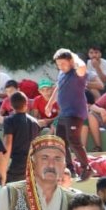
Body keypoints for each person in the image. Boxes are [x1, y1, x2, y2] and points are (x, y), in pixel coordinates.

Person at [42, 49, 91, 180]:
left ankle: (86, 167)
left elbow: (82, 67)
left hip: (74, 113)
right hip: (63, 113)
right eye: (58, 64)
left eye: (63, 64)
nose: (61, 67)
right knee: (60, 142)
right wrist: (50, 103)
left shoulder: (77, 73)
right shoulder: (61, 74)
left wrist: (74, 56)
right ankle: (70, 168)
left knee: (73, 140)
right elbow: (58, 87)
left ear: (71, 61)